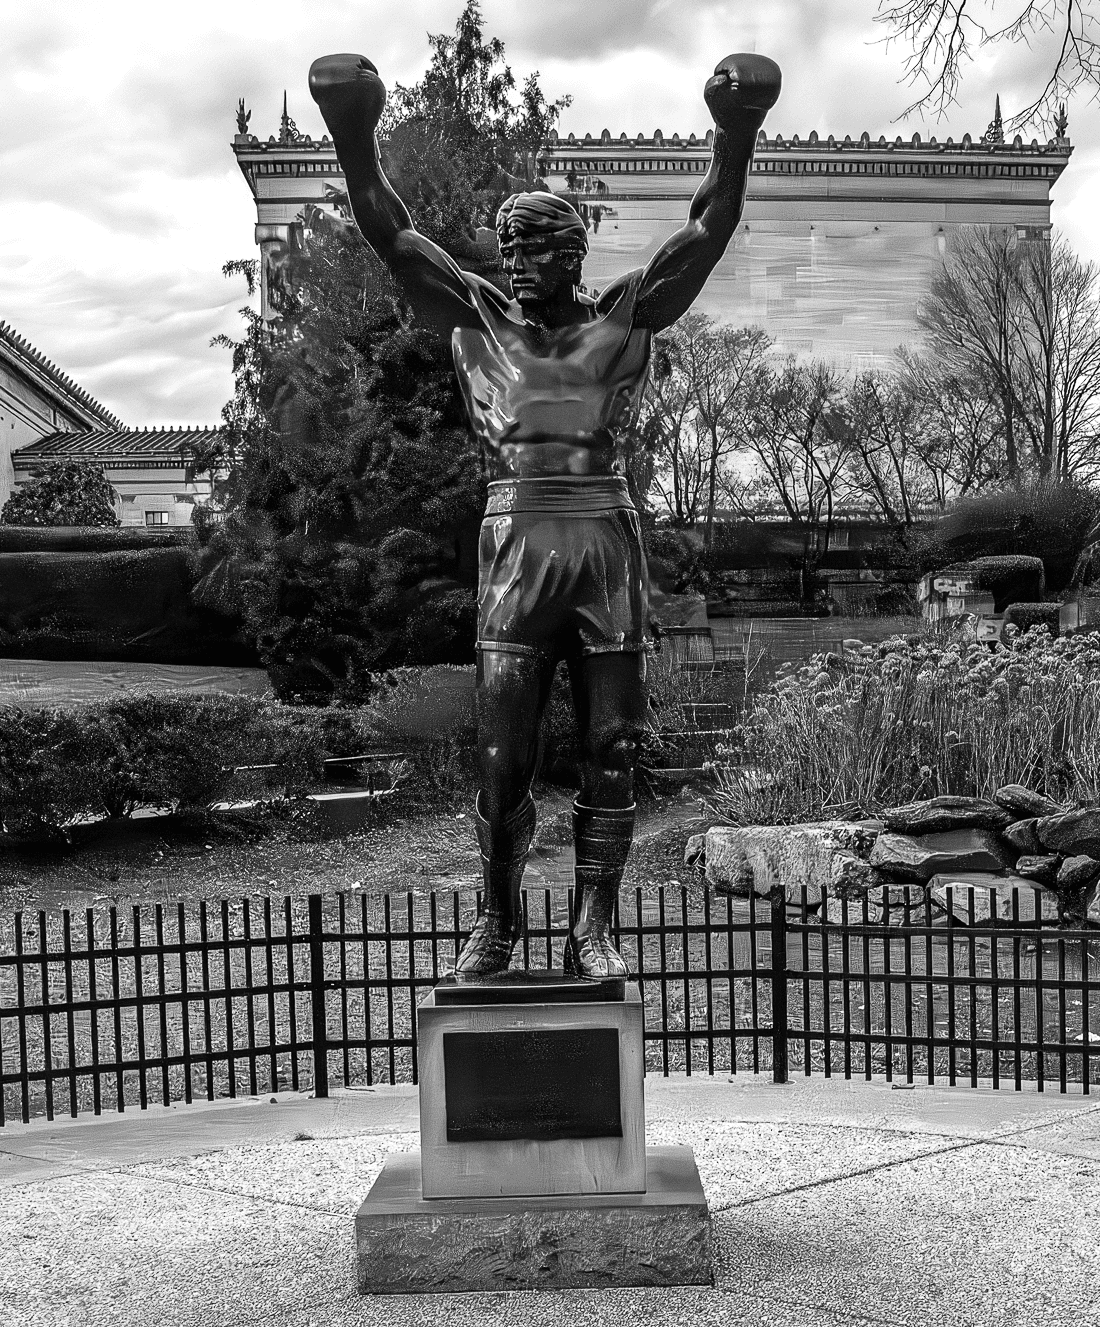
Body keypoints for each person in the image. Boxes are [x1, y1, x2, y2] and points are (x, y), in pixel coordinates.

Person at [309, 49, 780, 979]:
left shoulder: (621, 320)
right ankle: (498, 917)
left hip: (605, 543)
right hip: (515, 540)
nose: (518, 263)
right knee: (501, 753)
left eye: (538, 250)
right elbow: (390, 232)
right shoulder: (479, 322)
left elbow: (707, 228)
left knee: (613, 743)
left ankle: (593, 923)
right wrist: (352, 130)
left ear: (574, 257)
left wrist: (736, 132)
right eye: (509, 247)